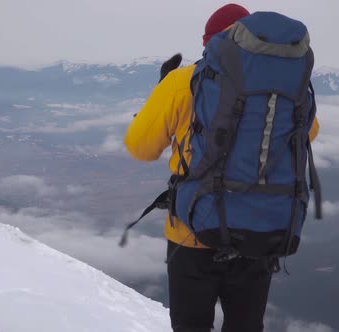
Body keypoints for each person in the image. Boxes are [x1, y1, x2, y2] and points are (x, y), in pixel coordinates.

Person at [124, 4, 320, 332]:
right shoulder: (288, 90)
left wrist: (162, 95)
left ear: (211, 43)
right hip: (261, 229)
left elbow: (141, 148)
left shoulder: (183, 81)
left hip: (192, 231)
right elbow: (309, 134)